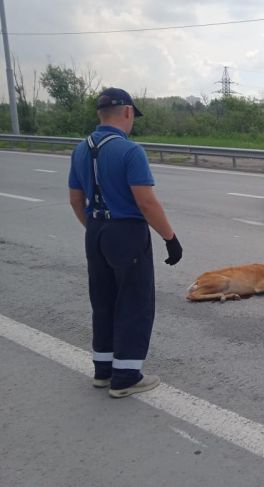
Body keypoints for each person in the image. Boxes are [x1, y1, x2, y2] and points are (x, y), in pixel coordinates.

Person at [69, 87, 183, 397]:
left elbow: (75, 200)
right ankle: (127, 376)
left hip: (95, 231)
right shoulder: (130, 151)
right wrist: (170, 239)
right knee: (134, 302)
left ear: (99, 114)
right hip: (127, 234)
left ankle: (103, 371)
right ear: (128, 112)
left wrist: (95, 229)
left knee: (103, 301)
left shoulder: (80, 149)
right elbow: (146, 203)